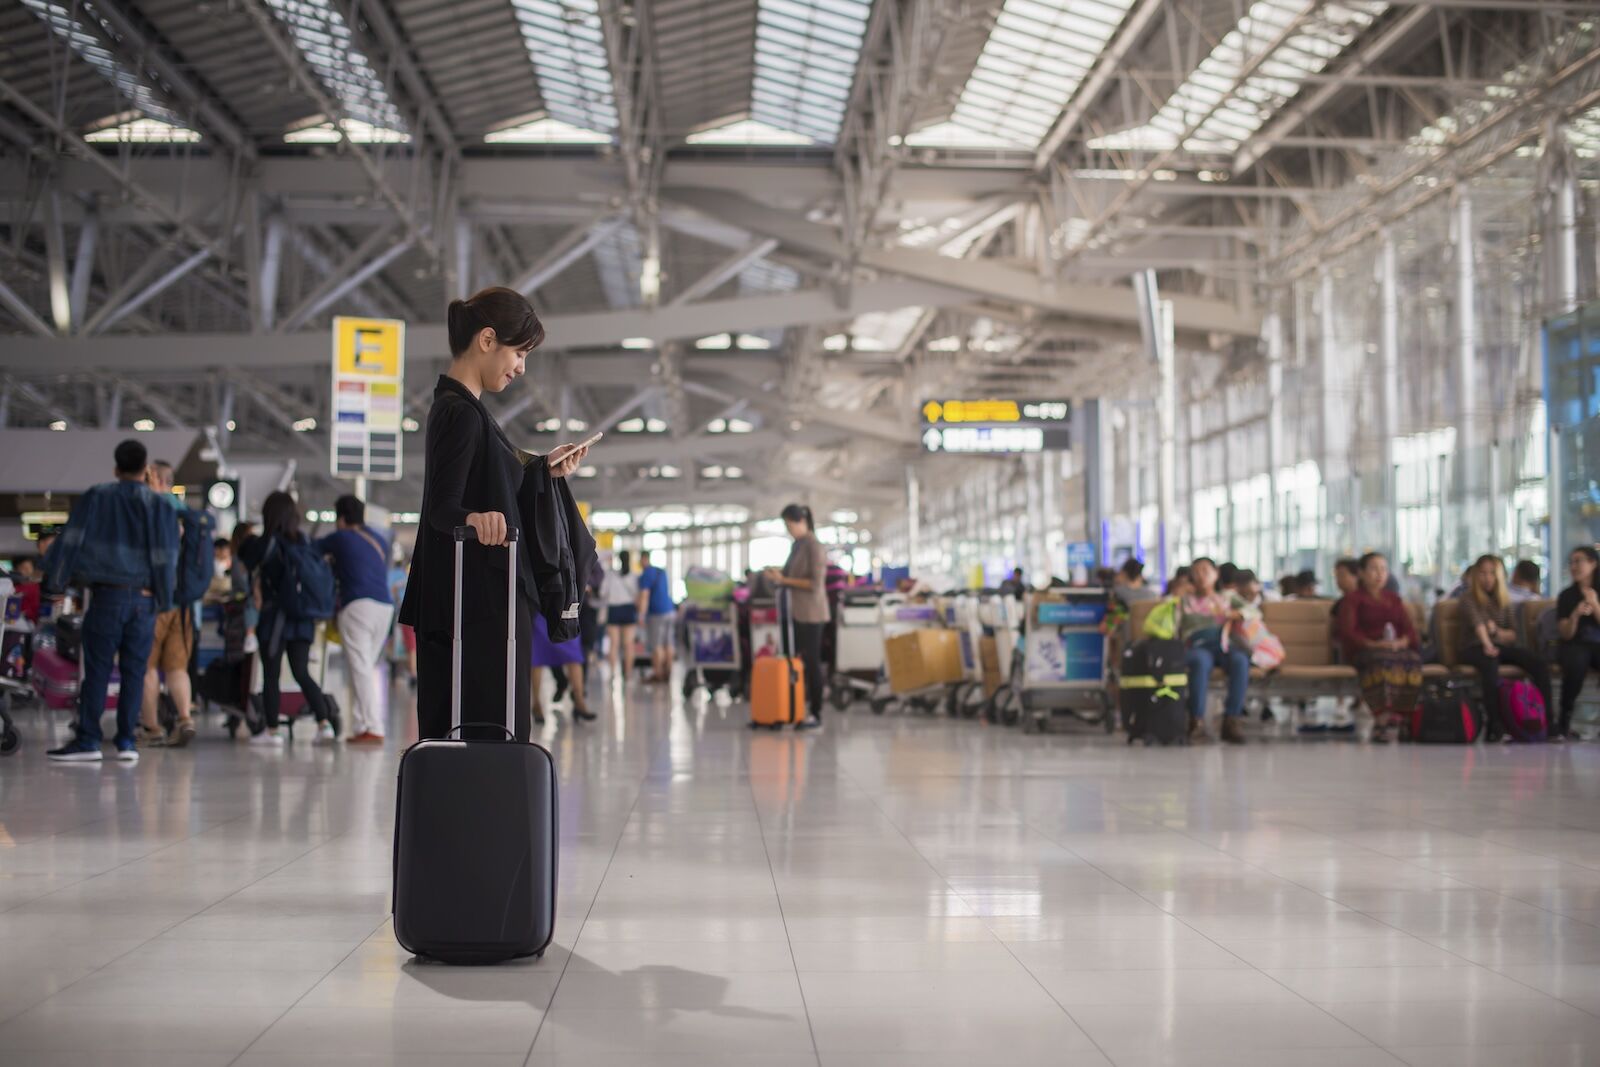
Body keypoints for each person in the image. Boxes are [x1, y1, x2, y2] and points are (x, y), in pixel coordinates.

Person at [397, 286, 588, 743]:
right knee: (483, 731)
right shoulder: (459, 412)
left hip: (478, 601)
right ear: (487, 340)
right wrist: (476, 518)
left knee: (483, 730)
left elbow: (495, 480)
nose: (521, 368)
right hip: (473, 605)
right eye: (519, 353)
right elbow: (442, 506)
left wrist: (545, 467)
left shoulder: (470, 411)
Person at [43, 439, 178, 763]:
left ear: (116, 469)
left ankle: (89, 740)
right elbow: (166, 556)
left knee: (98, 669)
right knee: (134, 671)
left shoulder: (97, 496)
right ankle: (126, 743)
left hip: (106, 596)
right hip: (144, 600)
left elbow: (71, 541)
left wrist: (55, 585)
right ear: (146, 470)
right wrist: (164, 597)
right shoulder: (160, 505)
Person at [242, 492, 338, 744]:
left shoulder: (269, 543)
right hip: (302, 618)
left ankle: (272, 731)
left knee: (271, 675)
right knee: (302, 672)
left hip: (275, 618)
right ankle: (324, 724)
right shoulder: (305, 542)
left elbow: (245, 560)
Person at [314, 495, 395, 745]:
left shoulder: (340, 537)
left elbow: (311, 549)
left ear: (340, 518)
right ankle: (362, 724)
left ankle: (373, 726)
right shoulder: (379, 539)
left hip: (357, 605)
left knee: (360, 668)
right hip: (385, 607)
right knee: (366, 666)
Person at [136, 460, 199, 749]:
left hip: (154, 599)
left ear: (155, 479)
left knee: (147, 666)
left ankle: (152, 727)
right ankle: (185, 718)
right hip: (184, 604)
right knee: (177, 668)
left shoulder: (150, 508)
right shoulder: (185, 512)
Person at [1459, 554, 1555, 740]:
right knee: (1490, 664)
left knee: (1537, 663)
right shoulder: (1468, 598)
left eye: (1492, 573)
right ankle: (1496, 725)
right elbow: (1478, 624)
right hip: (1473, 647)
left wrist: (1495, 633)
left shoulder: (1504, 600)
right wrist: (1488, 643)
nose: (1487, 578)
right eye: (1483, 573)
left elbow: (1513, 634)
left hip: (1499, 644)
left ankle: (1549, 722)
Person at [1336, 552, 1423, 743]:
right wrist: (1374, 644)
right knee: (1382, 661)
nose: (1379, 574)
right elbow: (1348, 632)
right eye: (1374, 569)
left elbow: (1409, 630)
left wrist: (1402, 642)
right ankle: (1382, 720)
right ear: (1361, 573)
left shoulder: (1394, 599)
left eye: (1383, 569)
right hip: (1366, 650)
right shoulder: (1353, 599)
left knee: (1412, 660)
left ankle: (1405, 718)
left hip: (1394, 648)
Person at [763, 504, 828, 731]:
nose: (789, 530)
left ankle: (816, 712)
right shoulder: (797, 545)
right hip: (794, 612)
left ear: (802, 521)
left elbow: (815, 583)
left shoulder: (814, 546)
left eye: (790, 525)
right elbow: (792, 574)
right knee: (795, 661)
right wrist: (778, 574)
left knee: (811, 662)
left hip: (811, 612)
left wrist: (784, 581)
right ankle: (792, 707)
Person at [1175, 558, 1251, 745]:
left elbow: (1253, 611)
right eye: (1196, 571)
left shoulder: (1227, 597)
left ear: (1216, 573)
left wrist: (1236, 614)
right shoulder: (1184, 600)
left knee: (1240, 661)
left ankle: (1232, 721)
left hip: (1224, 643)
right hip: (1197, 644)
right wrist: (1175, 596)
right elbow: (1172, 625)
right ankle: (1196, 721)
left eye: (1205, 570)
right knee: (1200, 663)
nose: (1201, 576)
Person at [1555, 546, 1600, 740]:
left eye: (1579, 561)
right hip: (1575, 644)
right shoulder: (1566, 596)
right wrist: (1575, 614)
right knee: (1576, 663)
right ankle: (1564, 720)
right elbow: (1566, 634)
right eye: (1571, 562)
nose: (1574, 566)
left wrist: (1595, 604)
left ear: (1593, 563)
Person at [636, 549, 675, 684]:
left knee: (656, 644)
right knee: (668, 643)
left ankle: (658, 673)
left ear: (643, 559)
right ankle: (668, 671)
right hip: (669, 610)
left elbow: (644, 596)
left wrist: (641, 615)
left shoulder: (646, 574)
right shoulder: (661, 571)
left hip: (656, 612)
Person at [603, 549, 640, 680]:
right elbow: (637, 595)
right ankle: (628, 674)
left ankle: (613, 673)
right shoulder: (634, 576)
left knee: (614, 644)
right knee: (628, 644)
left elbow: (603, 592)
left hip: (614, 609)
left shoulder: (611, 575)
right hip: (628, 609)